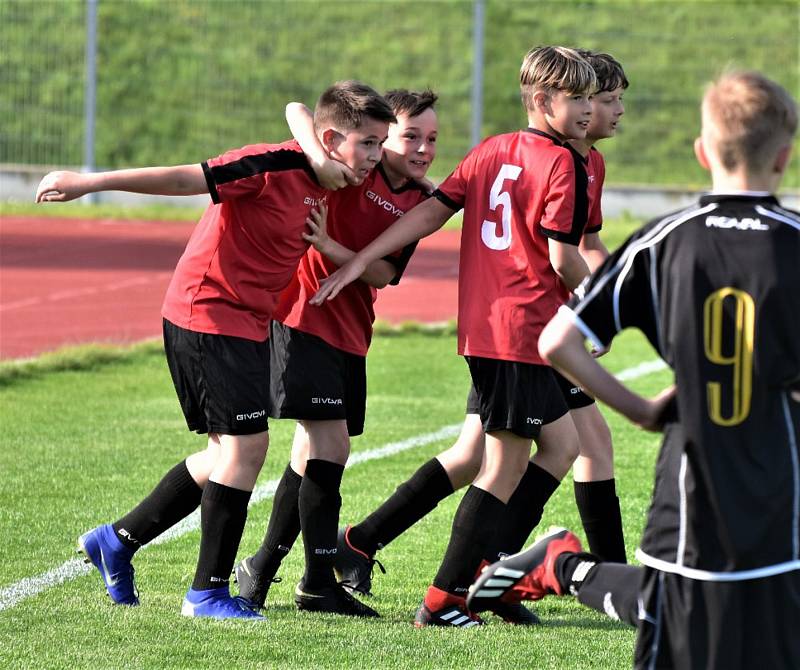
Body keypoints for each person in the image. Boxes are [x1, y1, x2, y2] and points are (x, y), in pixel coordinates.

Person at [468, 70, 800, 669]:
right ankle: (561, 566)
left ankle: (561, 567)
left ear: (702, 152)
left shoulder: (664, 241)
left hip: (688, 485)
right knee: (701, 609)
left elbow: (559, 341)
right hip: (779, 485)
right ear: (786, 155)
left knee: (677, 606)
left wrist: (642, 411)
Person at [34, 80, 396, 620]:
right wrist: (90, 182)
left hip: (248, 324)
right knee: (245, 450)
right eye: (368, 142)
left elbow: (298, 107)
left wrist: (328, 157)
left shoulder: (333, 176)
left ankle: (117, 541)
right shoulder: (268, 166)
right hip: (205, 314)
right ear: (331, 139)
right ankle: (206, 593)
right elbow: (189, 177)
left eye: (380, 142)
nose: (376, 155)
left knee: (222, 455)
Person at [331, 51, 629, 627]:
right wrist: (603, 311)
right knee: (505, 465)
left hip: (499, 328)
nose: (594, 110)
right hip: (520, 330)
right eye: (584, 99)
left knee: (560, 445)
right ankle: (450, 595)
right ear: (543, 102)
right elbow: (564, 258)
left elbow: (430, 214)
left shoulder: (494, 148)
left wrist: (366, 255)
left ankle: (485, 574)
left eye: (599, 99)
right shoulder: (561, 163)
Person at [231, 89, 439, 618]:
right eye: (410, 135)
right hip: (303, 316)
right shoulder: (349, 166)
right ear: (381, 136)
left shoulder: (420, 200)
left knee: (311, 453)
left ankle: (261, 566)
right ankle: (319, 582)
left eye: (432, 139)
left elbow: (384, 274)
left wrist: (330, 248)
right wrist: (321, 157)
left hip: (351, 328)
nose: (422, 149)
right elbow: (296, 110)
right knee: (331, 444)